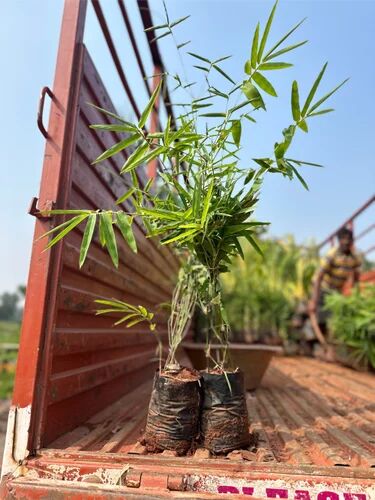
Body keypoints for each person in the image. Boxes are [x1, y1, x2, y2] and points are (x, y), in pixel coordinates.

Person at [309, 227, 361, 337]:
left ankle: (329, 343)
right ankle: (322, 343)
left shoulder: (354, 258)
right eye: (343, 239)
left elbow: (356, 277)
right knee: (322, 318)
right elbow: (319, 277)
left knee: (336, 318)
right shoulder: (332, 255)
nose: (347, 241)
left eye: (349, 239)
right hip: (323, 288)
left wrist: (356, 297)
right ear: (339, 240)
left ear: (352, 241)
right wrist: (314, 300)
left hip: (336, 291)